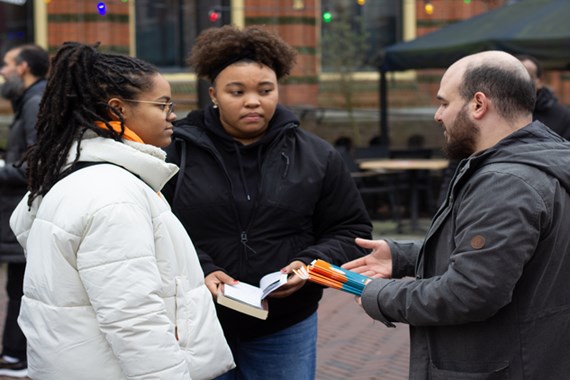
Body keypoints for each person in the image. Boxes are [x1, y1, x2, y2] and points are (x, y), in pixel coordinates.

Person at [9, 42, 234, 380]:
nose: (172, 114)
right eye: (162, 105)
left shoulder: (74, 177)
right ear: (118, 110)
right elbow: (133, 317)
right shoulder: (113, 195)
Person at [343, 50, 570, 379]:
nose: (438, 115)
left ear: (478, 104)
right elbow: (507, 256)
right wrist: (405, 256)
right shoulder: (542, 162)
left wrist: (377, 293)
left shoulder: (505, 183)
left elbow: (470, 292)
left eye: (444, 103)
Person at [162, 25, 372, 379]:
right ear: (213, 94)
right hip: (198, 320)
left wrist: (306, 266)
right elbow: (156, 227)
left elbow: (350, 229)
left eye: (265, 90)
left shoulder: (318, 156)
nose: (253, 101)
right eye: (236, 91)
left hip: (285, 325)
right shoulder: (173, 153)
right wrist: (203, 268)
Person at [0, 44, 48, 378]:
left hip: (25, 210)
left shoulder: (34, 101)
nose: (2, 72)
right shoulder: (31, 99)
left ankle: (18, 357)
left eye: (6, 65)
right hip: (21, 208)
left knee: (20, 286)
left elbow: (36, 163)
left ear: (23, 67)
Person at [518, 54, 570, 140]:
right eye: (514, 76)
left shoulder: (563, 116)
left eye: (528, 76)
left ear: (540, 81)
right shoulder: (496, 111)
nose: (520, 81)